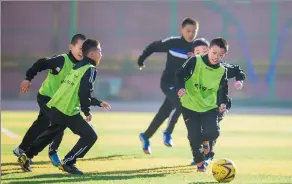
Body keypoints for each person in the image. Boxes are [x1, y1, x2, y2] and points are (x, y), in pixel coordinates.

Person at [17, 39, 111, 175]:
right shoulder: (90, 69)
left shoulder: (77, 67)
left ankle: (26, 155)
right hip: (68, 110)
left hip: (57, 107)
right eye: (100, 51)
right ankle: (68, 162)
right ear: (92, 54)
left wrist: (98, 102)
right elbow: (84, 92)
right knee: (90, 136)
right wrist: (87, 111)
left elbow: (77, 91)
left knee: (51, 133)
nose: (101, 55)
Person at [14, 34, 86, 166]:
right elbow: (41, 63)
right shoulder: (61, 60)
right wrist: (28, 78)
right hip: (46, 97)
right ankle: (51, 151)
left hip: (59, 102)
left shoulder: (83, 66)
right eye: (80, 47)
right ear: (71, 47)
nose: (82, 51)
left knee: (41, 124)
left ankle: (21, 149)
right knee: (59, 123)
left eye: (85, 48)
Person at [137, 17, 199, 154]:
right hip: (168, 83)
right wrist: (141, 60)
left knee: (164, 112)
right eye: (188, 30)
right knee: (182, 103)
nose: (191, 34)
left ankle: (145, 136)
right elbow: (153, 46)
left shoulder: (197, 47)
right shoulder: (173, 42)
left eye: (194, 31)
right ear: (181, 30)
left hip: (182, 86)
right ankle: (168, 132)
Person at [187, 38, 246, 165]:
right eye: (198, 52)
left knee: (211, 129)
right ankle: (199, 156)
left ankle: (208, 155)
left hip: (218, 105)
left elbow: (237, 70)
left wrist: (239, 80)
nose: (201, 54)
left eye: (204, 51)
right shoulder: (191, 67)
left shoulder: (221, 67)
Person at [175, 37, 229, 172]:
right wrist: (180, 88)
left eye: (220, 55)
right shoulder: (194, 60)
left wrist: (223, 103)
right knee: (194, 135)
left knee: (213, 133)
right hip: (189, 105)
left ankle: (204, 141)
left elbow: (223, 90)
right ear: (209, 50)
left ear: (225, 55)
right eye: (214, 53)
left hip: (208, 107)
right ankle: (200, 163)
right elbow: (179, 75)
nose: (216, 57)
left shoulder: (222, 71)